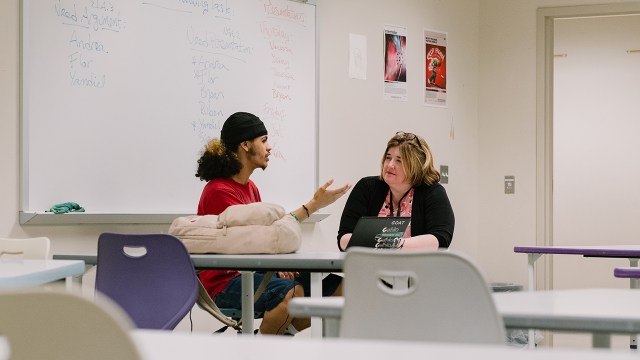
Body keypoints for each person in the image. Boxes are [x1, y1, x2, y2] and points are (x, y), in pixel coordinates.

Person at [195, 112, 350, 335]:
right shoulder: (219, 191)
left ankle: (277, 337)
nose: (269, 148)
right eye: (264, 140)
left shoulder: (250, 187)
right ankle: (263, 351)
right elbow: (250, 242)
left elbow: (268, 233)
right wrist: (312, 206)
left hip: (252, 273)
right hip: (224, 283)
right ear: (246, 145)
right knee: (293, 294)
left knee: (339, 288)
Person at [337, 131, 454, 251]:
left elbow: (440, 239)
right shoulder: (367, 188)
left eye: (399, 160)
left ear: (416, 166)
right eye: (388, 158)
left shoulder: (432, 192)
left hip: (415, 268)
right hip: (370, 266)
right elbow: (344, 238)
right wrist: (388, 243)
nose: (390, 165)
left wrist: (389, 244)